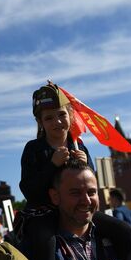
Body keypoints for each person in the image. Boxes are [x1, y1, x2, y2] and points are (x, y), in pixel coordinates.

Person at [19, 82, 93, 210]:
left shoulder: (79, 147)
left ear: (70, 115)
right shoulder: (33, 149)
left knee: (122, 229)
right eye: (49, 118)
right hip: (44, 214)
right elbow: (28, 191)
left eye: (62, 114)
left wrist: (86, 167)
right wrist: (52, 165)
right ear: (40, 122)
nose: (57, 121)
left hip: (77, 211)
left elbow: (93, 186)